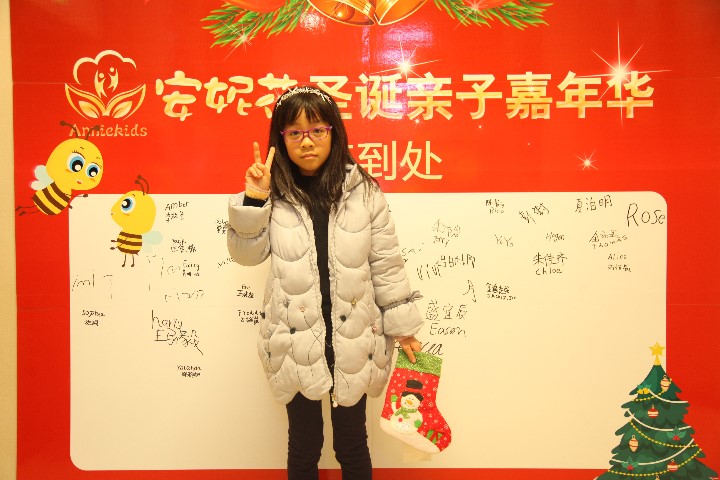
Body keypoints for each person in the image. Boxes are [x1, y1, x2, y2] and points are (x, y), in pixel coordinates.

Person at [227, 85, 423, 480]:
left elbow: (386, 263)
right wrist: (254, 198)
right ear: (280, 138)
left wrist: (404, 329)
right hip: (295, 337)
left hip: (353, 336)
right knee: (304, 445)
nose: (307, 141)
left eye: (317, 130)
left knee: (351, 443)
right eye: (295, 132)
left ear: (334, 132)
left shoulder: (364, 192)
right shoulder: (272, 192)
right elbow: (246, 255)